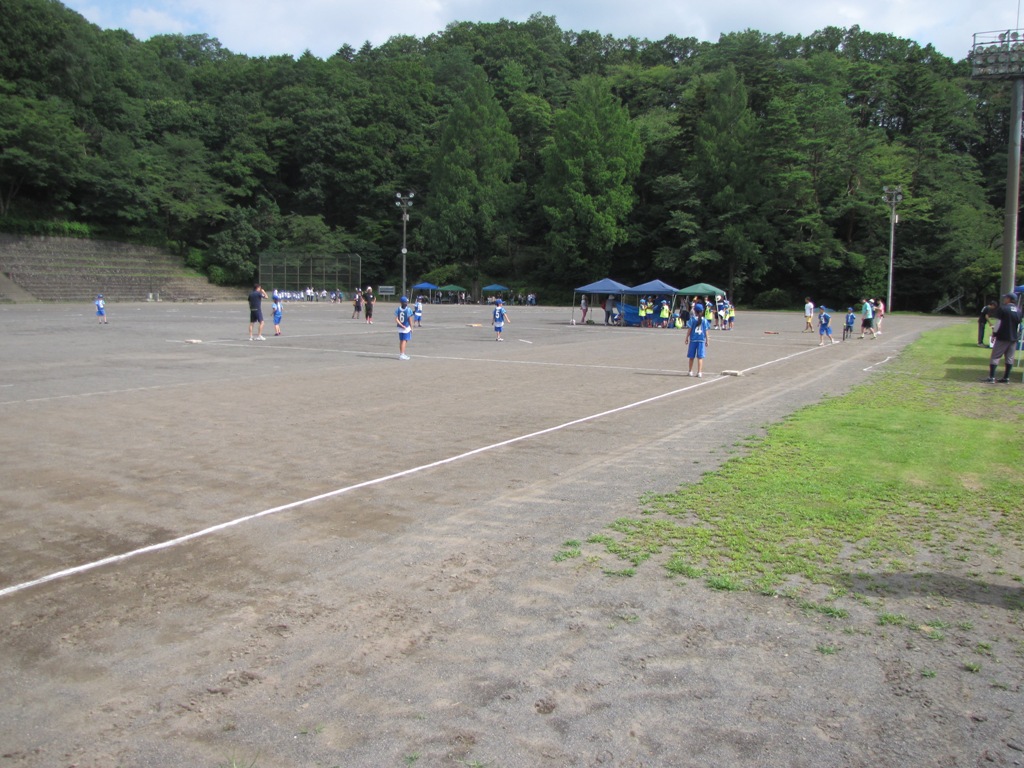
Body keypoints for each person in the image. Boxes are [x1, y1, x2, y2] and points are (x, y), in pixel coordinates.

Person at [982, 292, 1021, 383]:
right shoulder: (1018, 310)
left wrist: (994, 334)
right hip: (1013, 338)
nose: (1004, 299)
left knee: (995, 356)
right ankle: (1006, 378)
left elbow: (998, 323)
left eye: (1006, 298)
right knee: (1010, 358)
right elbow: (1019, 325)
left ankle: (991, 377)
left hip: (1002, 337)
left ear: (1009, 299)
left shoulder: (1003, 309)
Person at [686, 302, 711, 377]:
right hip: (701, 340)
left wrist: (687, 337)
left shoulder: (692, 319)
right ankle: (699, 372)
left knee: (691, 357)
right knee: (700, 357)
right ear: (702, 311)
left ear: (695, 311)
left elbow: (689, 329)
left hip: (693, 340)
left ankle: (690, 371)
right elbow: (706, 331)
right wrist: (707, 340)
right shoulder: (704, 320)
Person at [395, 295, 413, 360]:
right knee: (404, 341)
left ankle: (401, 353)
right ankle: (402, 354)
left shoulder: (398, 309)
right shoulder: (408, 310)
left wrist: (401, 325)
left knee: (401, 340)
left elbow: (396, 319)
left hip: (400, 327)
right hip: (406, 327)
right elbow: (410, 320)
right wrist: (411, 328)